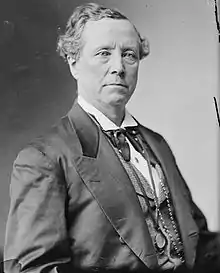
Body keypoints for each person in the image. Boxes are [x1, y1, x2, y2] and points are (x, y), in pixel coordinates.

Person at [4, 2, 220, 273]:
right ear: (74, 63)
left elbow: (198, 243)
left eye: (129, 54)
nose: (119, 67)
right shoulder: (44, 158)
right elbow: (32, 269)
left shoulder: (157, 144)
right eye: (103, 53)